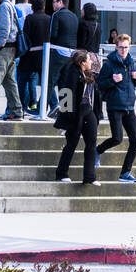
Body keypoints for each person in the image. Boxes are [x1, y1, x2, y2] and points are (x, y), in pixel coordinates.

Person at [95, 34, 136, 182]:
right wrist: (112, 80)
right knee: (117, 138)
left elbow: (134, 84)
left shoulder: (132, 63)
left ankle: (125, 173)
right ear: (116, 47)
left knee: (135, 141)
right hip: (115, 105)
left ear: (130, 47)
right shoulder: (109, 64)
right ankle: (98, 150)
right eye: (121, 47)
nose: (123, 50)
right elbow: (100, 84)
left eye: (126, 47)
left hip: (129, 106)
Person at [54, 50, 99, 186]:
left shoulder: (89, 72)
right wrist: (67, 120)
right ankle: (61, 173)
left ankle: (90, 177)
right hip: (75, 113)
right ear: (82, 63)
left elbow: (96, 94)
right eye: (88, 60)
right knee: (72, 143)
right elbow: (64, 94)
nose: (91, 61)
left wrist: (97, 115)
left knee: (91, 143)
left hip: (88, 111)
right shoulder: (71, 73)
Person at [47, 0, 80, 115]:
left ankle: (43, 108)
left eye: (54, 1)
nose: (53, 4)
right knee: (65, 83)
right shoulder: (74, 16)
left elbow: (53, 35)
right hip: (71, 54)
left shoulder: (56, 15)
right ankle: (65, 111)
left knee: (49, 80)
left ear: (60, 2)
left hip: (58, 51)